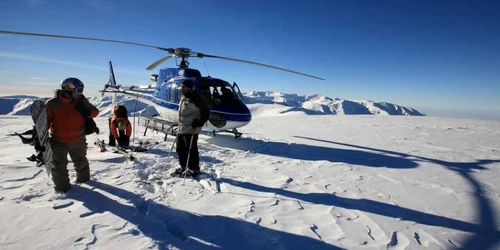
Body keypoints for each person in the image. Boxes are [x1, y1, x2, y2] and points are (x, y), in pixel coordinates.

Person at [45, 77, 99, 193]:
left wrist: (87, 110)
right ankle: (62, 189)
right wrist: (42, 136)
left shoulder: (81, 101)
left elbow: (95, 112)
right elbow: (46, 122)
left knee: (81, 162)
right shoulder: (53, 104)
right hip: (59, 141)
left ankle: (85, 181)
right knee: (59, 166)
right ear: (68, 89)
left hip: (78, 139)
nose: (80, 93)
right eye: (78, 90)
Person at [172, 79, 210, 177]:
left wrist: (199, 122)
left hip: (192, 128)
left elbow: (206, 113)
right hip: (182, 127)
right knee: (180, 148)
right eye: (181, 87)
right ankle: (184, 167)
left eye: (184, 87)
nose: (182, 88)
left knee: (190, 149)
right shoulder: (183, 97)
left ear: (190, 88)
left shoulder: (197, 99)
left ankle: (194, 169)